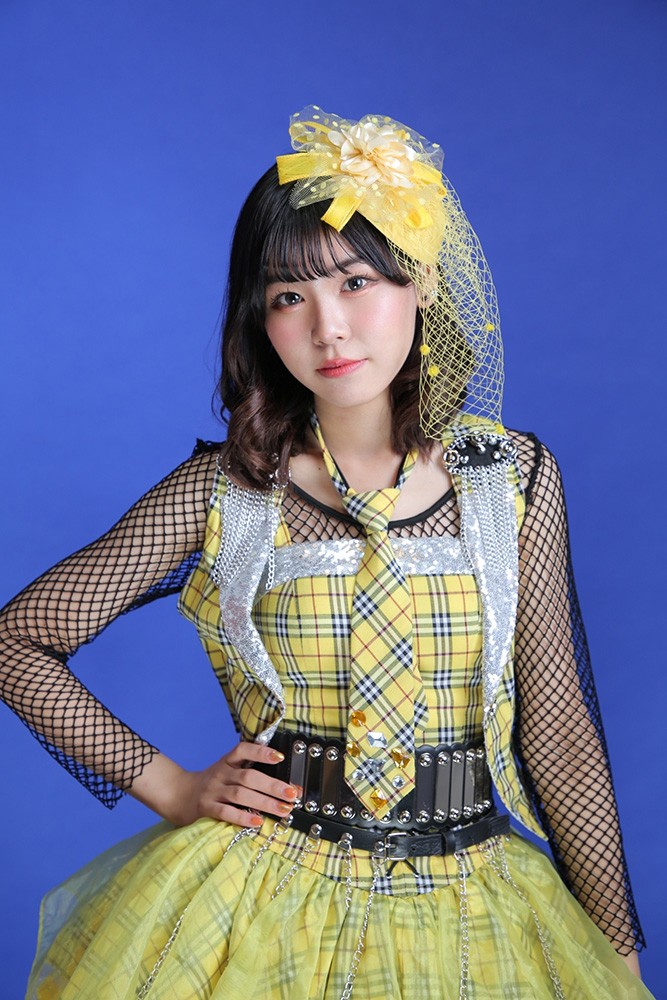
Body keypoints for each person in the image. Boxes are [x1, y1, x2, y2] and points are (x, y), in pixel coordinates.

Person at [0, 106, 653, 1000]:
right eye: (287, 297)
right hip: (263, 897)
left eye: (355, 281)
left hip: (476, 901)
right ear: (259, 319)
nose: (328, 328)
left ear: (421, 281)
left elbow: (558, 732)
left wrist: (615, 957)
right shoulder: (228, 490)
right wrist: (172, 787)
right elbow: (17, 640)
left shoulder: (508, 478)